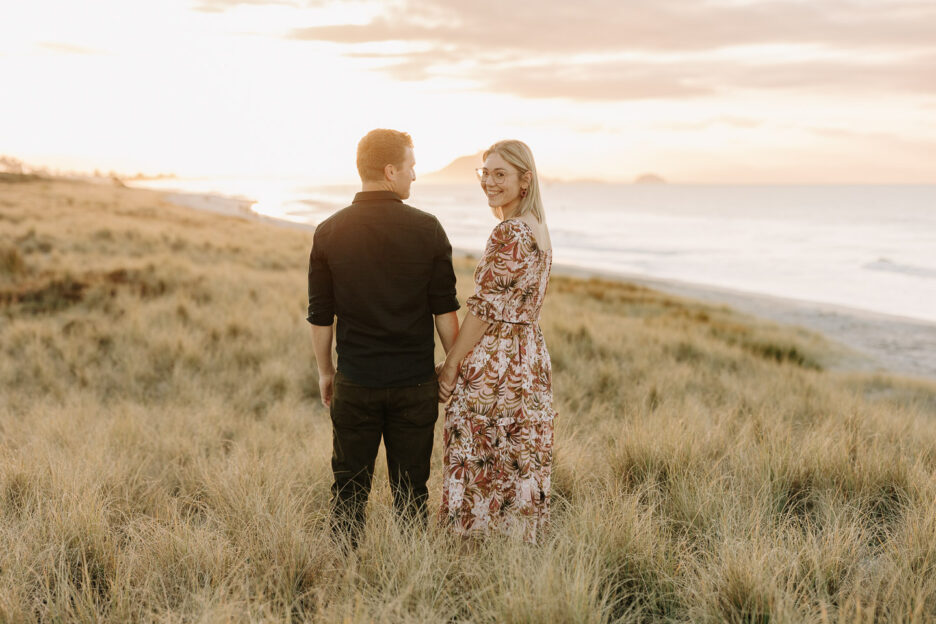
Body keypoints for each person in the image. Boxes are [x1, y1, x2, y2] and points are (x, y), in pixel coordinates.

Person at [307, 128, 460, 547]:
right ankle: (410, 580)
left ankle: (343, 578)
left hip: (355, 382)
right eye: (411, 167)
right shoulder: (427, 229)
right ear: (390, 171)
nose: (415, 175)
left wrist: (326, 372)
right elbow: (444, 312)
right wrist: (452, 368)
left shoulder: (328, 232)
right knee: (412, 494)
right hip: (415, 386)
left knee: (348, 492)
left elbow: (321, 317)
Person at [437, 139, 556, 544]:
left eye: (500, 174)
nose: (489, 181)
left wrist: (452, 362)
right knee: (517, 455)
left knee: (479, 451)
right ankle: (513, 549)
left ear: (525, 181)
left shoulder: (510, 232)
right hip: (529, 358)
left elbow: (485, 310)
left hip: (498, 362)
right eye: (484, 172)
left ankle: (471, 548)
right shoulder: (538, 229)